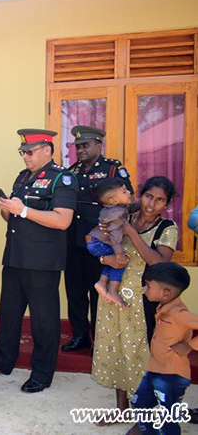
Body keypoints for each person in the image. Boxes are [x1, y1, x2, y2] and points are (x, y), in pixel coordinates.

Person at [0, 129, 77, 393]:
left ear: (47, 149)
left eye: (29, 152)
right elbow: (16, 218)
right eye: (22, 152)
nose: (25, 157)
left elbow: (62, 220)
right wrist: (7, 209)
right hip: (16, 256)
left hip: (42, 262)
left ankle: (42, 373)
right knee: (9, 314)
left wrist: (23, 209)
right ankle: (4, 358)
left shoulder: (62, 179)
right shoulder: (23, 178)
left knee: (44, 320)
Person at [92, 176, 178, 420]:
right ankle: (121, 411)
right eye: (149, 196)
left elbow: (159, 262)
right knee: (117, 351)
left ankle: (145, 418)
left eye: (160, 200)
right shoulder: (122, 215)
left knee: (140, 357)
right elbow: (101, 244)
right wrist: (104, 260)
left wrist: (131, 232)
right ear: (141, 194)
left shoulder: (167, 227)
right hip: (112, 297)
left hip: (141, 303)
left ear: (167, 203)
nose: (152, 204)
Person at [63, 125, 134, 352]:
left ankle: (100, 340)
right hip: (74, 240)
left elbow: (127, 201)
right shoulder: (72, 172)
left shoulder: (113, 170)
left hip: (101, 243)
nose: (81, 150)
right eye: (78, 146)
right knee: (74, 291)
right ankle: (80, 335)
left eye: (85, 145)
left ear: (98, 145)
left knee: (98, 292)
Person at [127, 262, 195, 435]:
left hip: (172, 375)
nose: (144, 289)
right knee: (139, 403)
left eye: (149, 286)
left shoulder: (180, 314)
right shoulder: (163, 306)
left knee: (167, 418)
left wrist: (190, 346)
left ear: (166, 293)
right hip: (155, 369)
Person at [86, 178, 133, 308]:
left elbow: (131, 208)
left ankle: (102, 282)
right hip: (100, 242)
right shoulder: (117, 214)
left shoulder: (114, 208)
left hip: (94, 241)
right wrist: (119, 253)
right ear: (113, 200)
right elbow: (115, 233)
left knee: (112, 261)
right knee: (119, 262)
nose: (129, 192)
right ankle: (113, 291)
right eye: (124, 192)